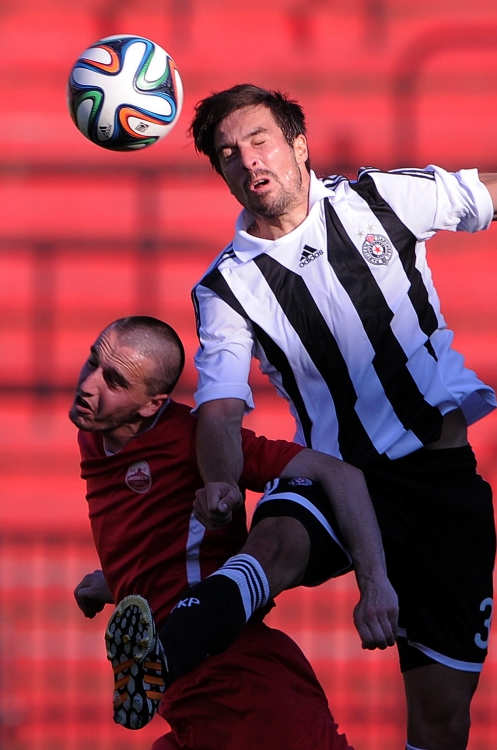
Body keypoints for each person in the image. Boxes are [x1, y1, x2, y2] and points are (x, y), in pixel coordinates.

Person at [189, 84, 497, 750]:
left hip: (440, 482)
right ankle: (177, 639)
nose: (247, 159)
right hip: (335, 475)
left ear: (299, 145)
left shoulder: (380, 200)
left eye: (260, 140)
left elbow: (484, 193)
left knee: (442, 722)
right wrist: (218, 480)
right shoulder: (226, 287)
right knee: (272, 545)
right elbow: (219, 405)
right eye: (229, 153)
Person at [71, 315, 398, 750]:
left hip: (238, 676)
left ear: (152, 404)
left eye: (114, 381)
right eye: (93, 361)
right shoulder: (95, 436)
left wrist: (374, 584)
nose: (89, 384)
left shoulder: (195, 439)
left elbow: (342, 475)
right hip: (179, 686)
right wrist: (119, 580)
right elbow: (172, 544)